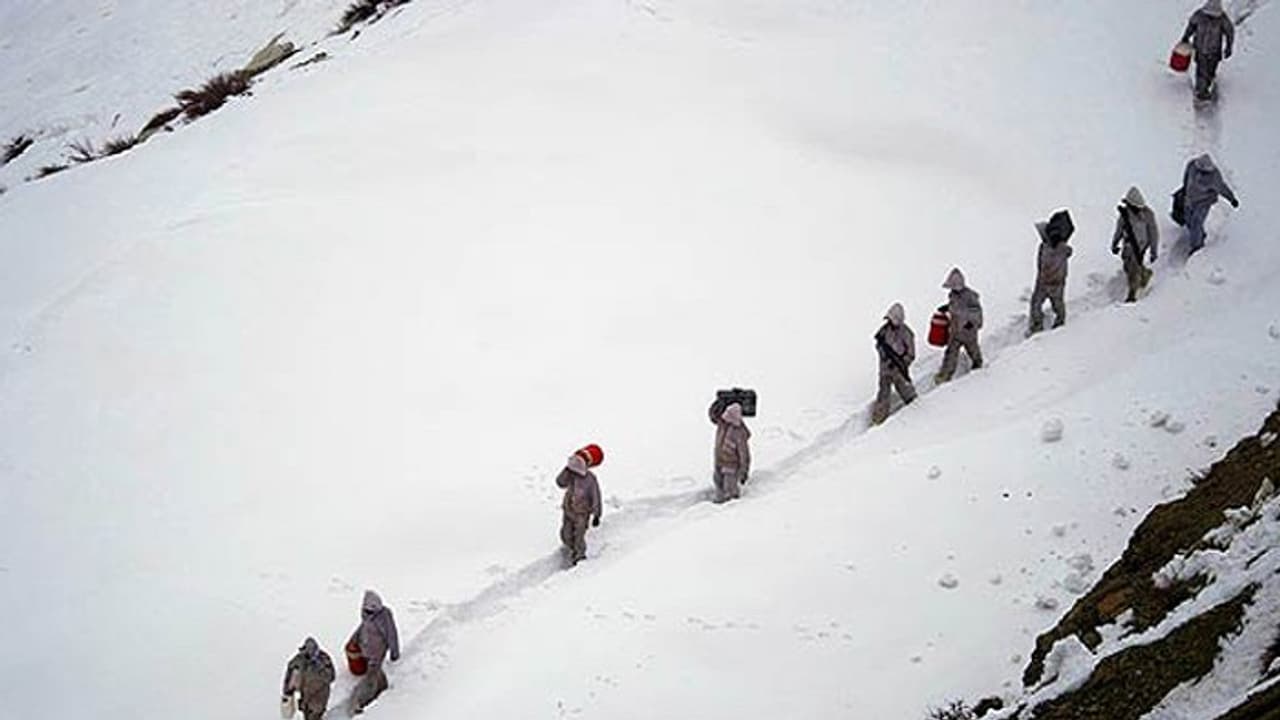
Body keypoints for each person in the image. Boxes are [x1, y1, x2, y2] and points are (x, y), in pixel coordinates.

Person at [348, 590, 400, 715]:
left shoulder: (385, 616)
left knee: (370, 678)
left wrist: (394, 652)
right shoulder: (366, 615)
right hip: (365, 649)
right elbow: (362, 628)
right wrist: (353, 640)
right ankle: (383, 686)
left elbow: (391, 634)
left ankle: (361, 703)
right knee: (376, 673)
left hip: (377, 652)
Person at [1181, 153, 1239, 255]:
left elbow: (1222, 188)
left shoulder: (1214, 176)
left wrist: (1232, 199)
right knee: (1189, 221)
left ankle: (1196, 247)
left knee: (1196, 222)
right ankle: (1200, 235)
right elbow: (1186, 178)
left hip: (1203, 202)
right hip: (1189, 199)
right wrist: (1184, 190)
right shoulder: (1191, 165)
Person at [934, 268, 984, 383]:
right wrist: (947, 307)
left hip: (968, 331)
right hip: (955, 330)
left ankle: (978, 366)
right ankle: (945, 375)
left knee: (973, 349)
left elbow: (977, 312)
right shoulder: (953, 295)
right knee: (950, 354)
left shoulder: (970, 296)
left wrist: (971, 323)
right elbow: (955, 306)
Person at [1112, 186, 1160, 302]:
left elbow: (1153, 233)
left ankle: (1131, 294)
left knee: (1134, 269)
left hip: (1140, 246)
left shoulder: (1148, 215)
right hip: (1127, 246)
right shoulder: (1125, 214)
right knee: (1128, 267)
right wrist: (1114, 243)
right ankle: (1144, 274)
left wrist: (1154, 251)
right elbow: (1119, 229)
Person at [871, 303, 917, 425]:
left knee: (906, 390)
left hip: (899, 370)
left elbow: (911, 354)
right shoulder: (883, 331)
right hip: (885, 369)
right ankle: (879, 418)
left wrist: (902, 363)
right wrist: (885, 356)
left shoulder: (907, 333)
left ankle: (916, 410)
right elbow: (878, 347)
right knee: (883, 394)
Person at [1181, 0, 1235, 101]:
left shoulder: (1222, 19)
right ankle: (1201, 92)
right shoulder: (1199, 15)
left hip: (1214, 51)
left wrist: (1229, 47)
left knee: (1211, 71)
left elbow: (1229, 32)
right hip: (1200, 49)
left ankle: (1207, 85)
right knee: (1201, 70)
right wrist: (1186, 37)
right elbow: (1191, 26)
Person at [1029, 212, 1074, 334]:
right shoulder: (1044, 246)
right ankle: (1037, 325)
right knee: (1036, 304)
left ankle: (1059, 323)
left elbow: (1069, 252)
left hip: (1055, 282)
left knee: (1056, 304)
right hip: (1045, 281)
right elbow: (1040, 264)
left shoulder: (1061, 247)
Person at [556, 454, 602, 566]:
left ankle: (580, 557)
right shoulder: (571, 475)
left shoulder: (591, 479)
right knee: (565, 535)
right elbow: (560, 482)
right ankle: (573, 549)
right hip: (568, 510)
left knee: (579, 537)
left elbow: (596, 497)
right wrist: (566, 470)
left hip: (582, 514)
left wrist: (597, 514)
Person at [282, 637, 335, 720]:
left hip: (319, 696)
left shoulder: (324, 659)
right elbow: (290, 674)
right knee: (307, 714)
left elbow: (331, 676)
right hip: (305, 695)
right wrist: (287, 691)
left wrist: (320, 668)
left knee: (315, 714)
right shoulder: (298, 661)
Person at [709, 401, 751, 503]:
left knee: (730, 488)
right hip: (720, 461)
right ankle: (718, 505)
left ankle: (731, 510)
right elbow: (713, 415)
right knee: (718, 482)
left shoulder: (739, 432)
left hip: (731, 466)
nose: (724, 417)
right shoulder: (723, 426)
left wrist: (744, 471)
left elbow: (744, 454)